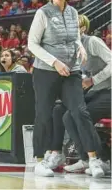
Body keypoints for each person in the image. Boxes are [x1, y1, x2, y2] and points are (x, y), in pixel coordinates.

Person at [28, 0, 103, 177]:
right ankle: (40, 160)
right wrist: (54, 61)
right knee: (43, 114)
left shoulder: (72, 12)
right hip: (46, 72)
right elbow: (32, 44)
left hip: (71, 71)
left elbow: (75, 37)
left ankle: (93, 159)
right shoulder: (42, 13)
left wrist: (80, 47)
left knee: (80, 111)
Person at [49, 14, 111, 177]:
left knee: (80, 114)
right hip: (94, 91)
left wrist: (93, 80)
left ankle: (101, 159)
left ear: (82, 28)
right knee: (61, 113)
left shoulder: (92, 42)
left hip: (109, 91)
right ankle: (80, 158)